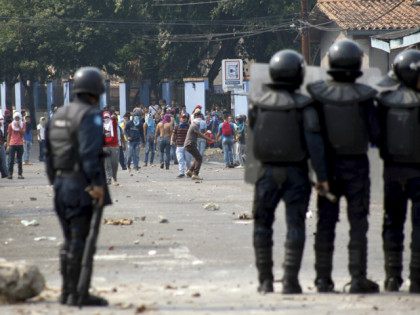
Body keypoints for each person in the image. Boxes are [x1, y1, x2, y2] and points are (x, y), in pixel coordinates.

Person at [248, 50, 328, 294]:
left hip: (266, 172)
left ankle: (265, 280)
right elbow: (315, 144)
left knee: (262, 225)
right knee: (295, 224)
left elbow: (254, 134)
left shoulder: (258, 104)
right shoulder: (305, 106)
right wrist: (322, 177)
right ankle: (290, 280)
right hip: (296, 173)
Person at [307, 39, 380, 293]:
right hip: (357, 166)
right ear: (357, 64)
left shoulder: (317, 94)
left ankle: (322, 279)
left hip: (326, 167)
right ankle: (358, 278)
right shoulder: (365, 97)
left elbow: (312, 135)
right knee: (358, 223)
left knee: (325, 223)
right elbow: (375, 135)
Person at [45, 67, 110, 306]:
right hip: (81, 184)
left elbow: (48, 155)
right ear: (94, 92)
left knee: (69, 240)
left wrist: (56, 181)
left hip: (61, 184)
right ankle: (78, 293)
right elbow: (88, 153)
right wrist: (95, 184)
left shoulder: (58, 114)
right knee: (81, 240)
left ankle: (67, 291)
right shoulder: (90, 115)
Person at [376, 49, 420, 293]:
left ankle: (392, 277)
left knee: (392, 224)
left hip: (392, 172)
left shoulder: (384, 103)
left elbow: (374, 135)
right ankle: (417, 278)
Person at [184, 112, 214, 181]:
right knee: (199, 158)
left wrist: (205, 135)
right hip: (190, 144)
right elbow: (199, 134)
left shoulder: (194, 125)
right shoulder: (194, 125)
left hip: (189, 144)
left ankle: (190, 171)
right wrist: (208, 138)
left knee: (196, 157)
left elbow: (197, 135)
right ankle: (195, 174)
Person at [171, 113, 191, 178]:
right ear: (180, 119)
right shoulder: (177, 126)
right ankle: (181, 173)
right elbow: (173, 134)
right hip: (179, 146)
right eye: (182, 118)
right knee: (180, 160)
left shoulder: (189, 126)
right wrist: (172, 140)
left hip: (187, 146)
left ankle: (188, 172)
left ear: (186, 119)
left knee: (188, 161)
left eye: (185, 118)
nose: (184, 119)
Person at [102, 111, 120, 185]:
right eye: (105, 117)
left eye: (107, 117)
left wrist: (113, 116)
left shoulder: (113, 124)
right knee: (107, 164)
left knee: (115, 163)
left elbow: (115, 118)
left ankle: (114, 177)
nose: (106, 118)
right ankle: (108, 178)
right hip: (105, 147)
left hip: (114, 146)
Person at [6, 111, 25, 179]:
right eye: (16, 118)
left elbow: (23, 134)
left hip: (20, 144)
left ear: (20, 118)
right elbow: (9, 135)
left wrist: (19, 126)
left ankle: (20, 174)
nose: (17, 119)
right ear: (14, 118)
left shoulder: (23, 124)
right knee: (11, 160)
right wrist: (8, 145)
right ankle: (10, 174)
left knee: (19, 160)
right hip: (12, 144)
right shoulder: (10, 125)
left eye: (18, 118)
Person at [0, 113, 8, 178]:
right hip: (1, 145)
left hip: (1, 145)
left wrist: (5, 141)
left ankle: (4, 173)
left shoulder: (1, 130)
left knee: (2, 160)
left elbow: (2, 137)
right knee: (3, 159)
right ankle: (5, 173)